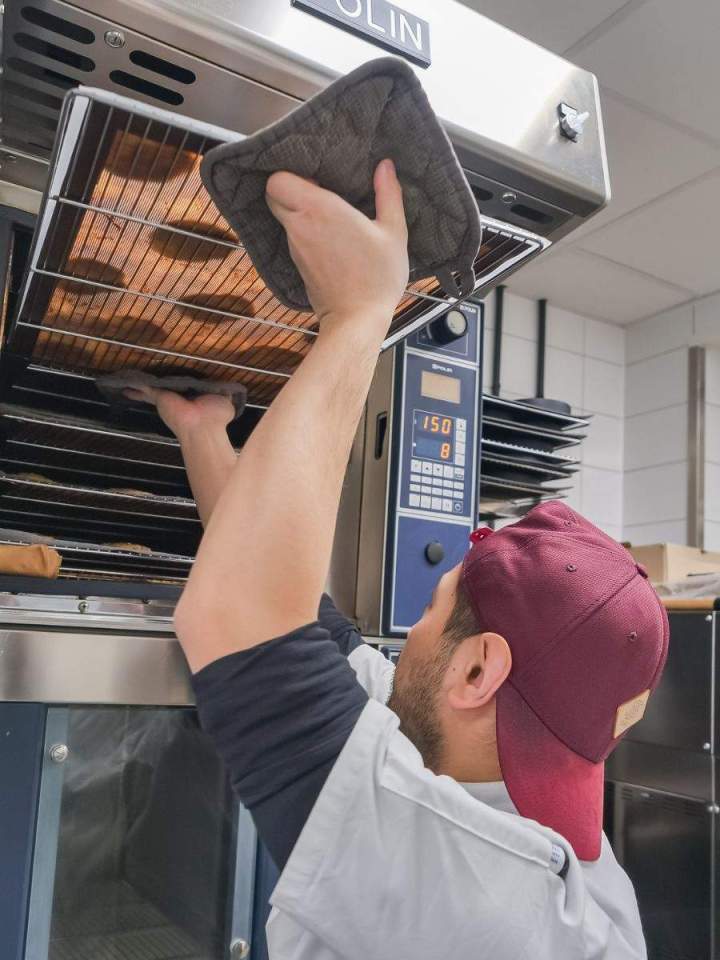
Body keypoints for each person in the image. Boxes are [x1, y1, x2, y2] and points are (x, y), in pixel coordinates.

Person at [128, 159, 668, 959]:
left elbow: (236, 619)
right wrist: (207, 433)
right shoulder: (539, 828)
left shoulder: (472, 892)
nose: (407, 631)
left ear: (478, 672)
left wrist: (360, 311)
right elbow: (292, 614)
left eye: (430, 610)